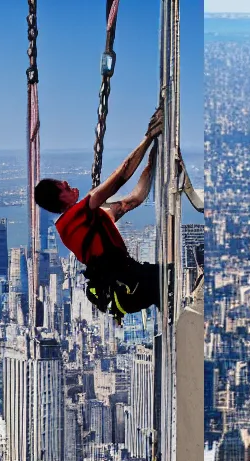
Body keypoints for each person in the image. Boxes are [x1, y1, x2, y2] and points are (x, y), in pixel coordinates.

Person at [35, 107, 166, 319]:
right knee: (172, 279)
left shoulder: (86, 221)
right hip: (127, 284)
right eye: (62, 185)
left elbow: (131, 202)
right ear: (59, 198)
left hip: (126, 288)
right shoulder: (78, 214)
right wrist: (149, 136)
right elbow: (121, 174)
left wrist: (150, 166)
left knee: (167, 281)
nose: (67, 183)